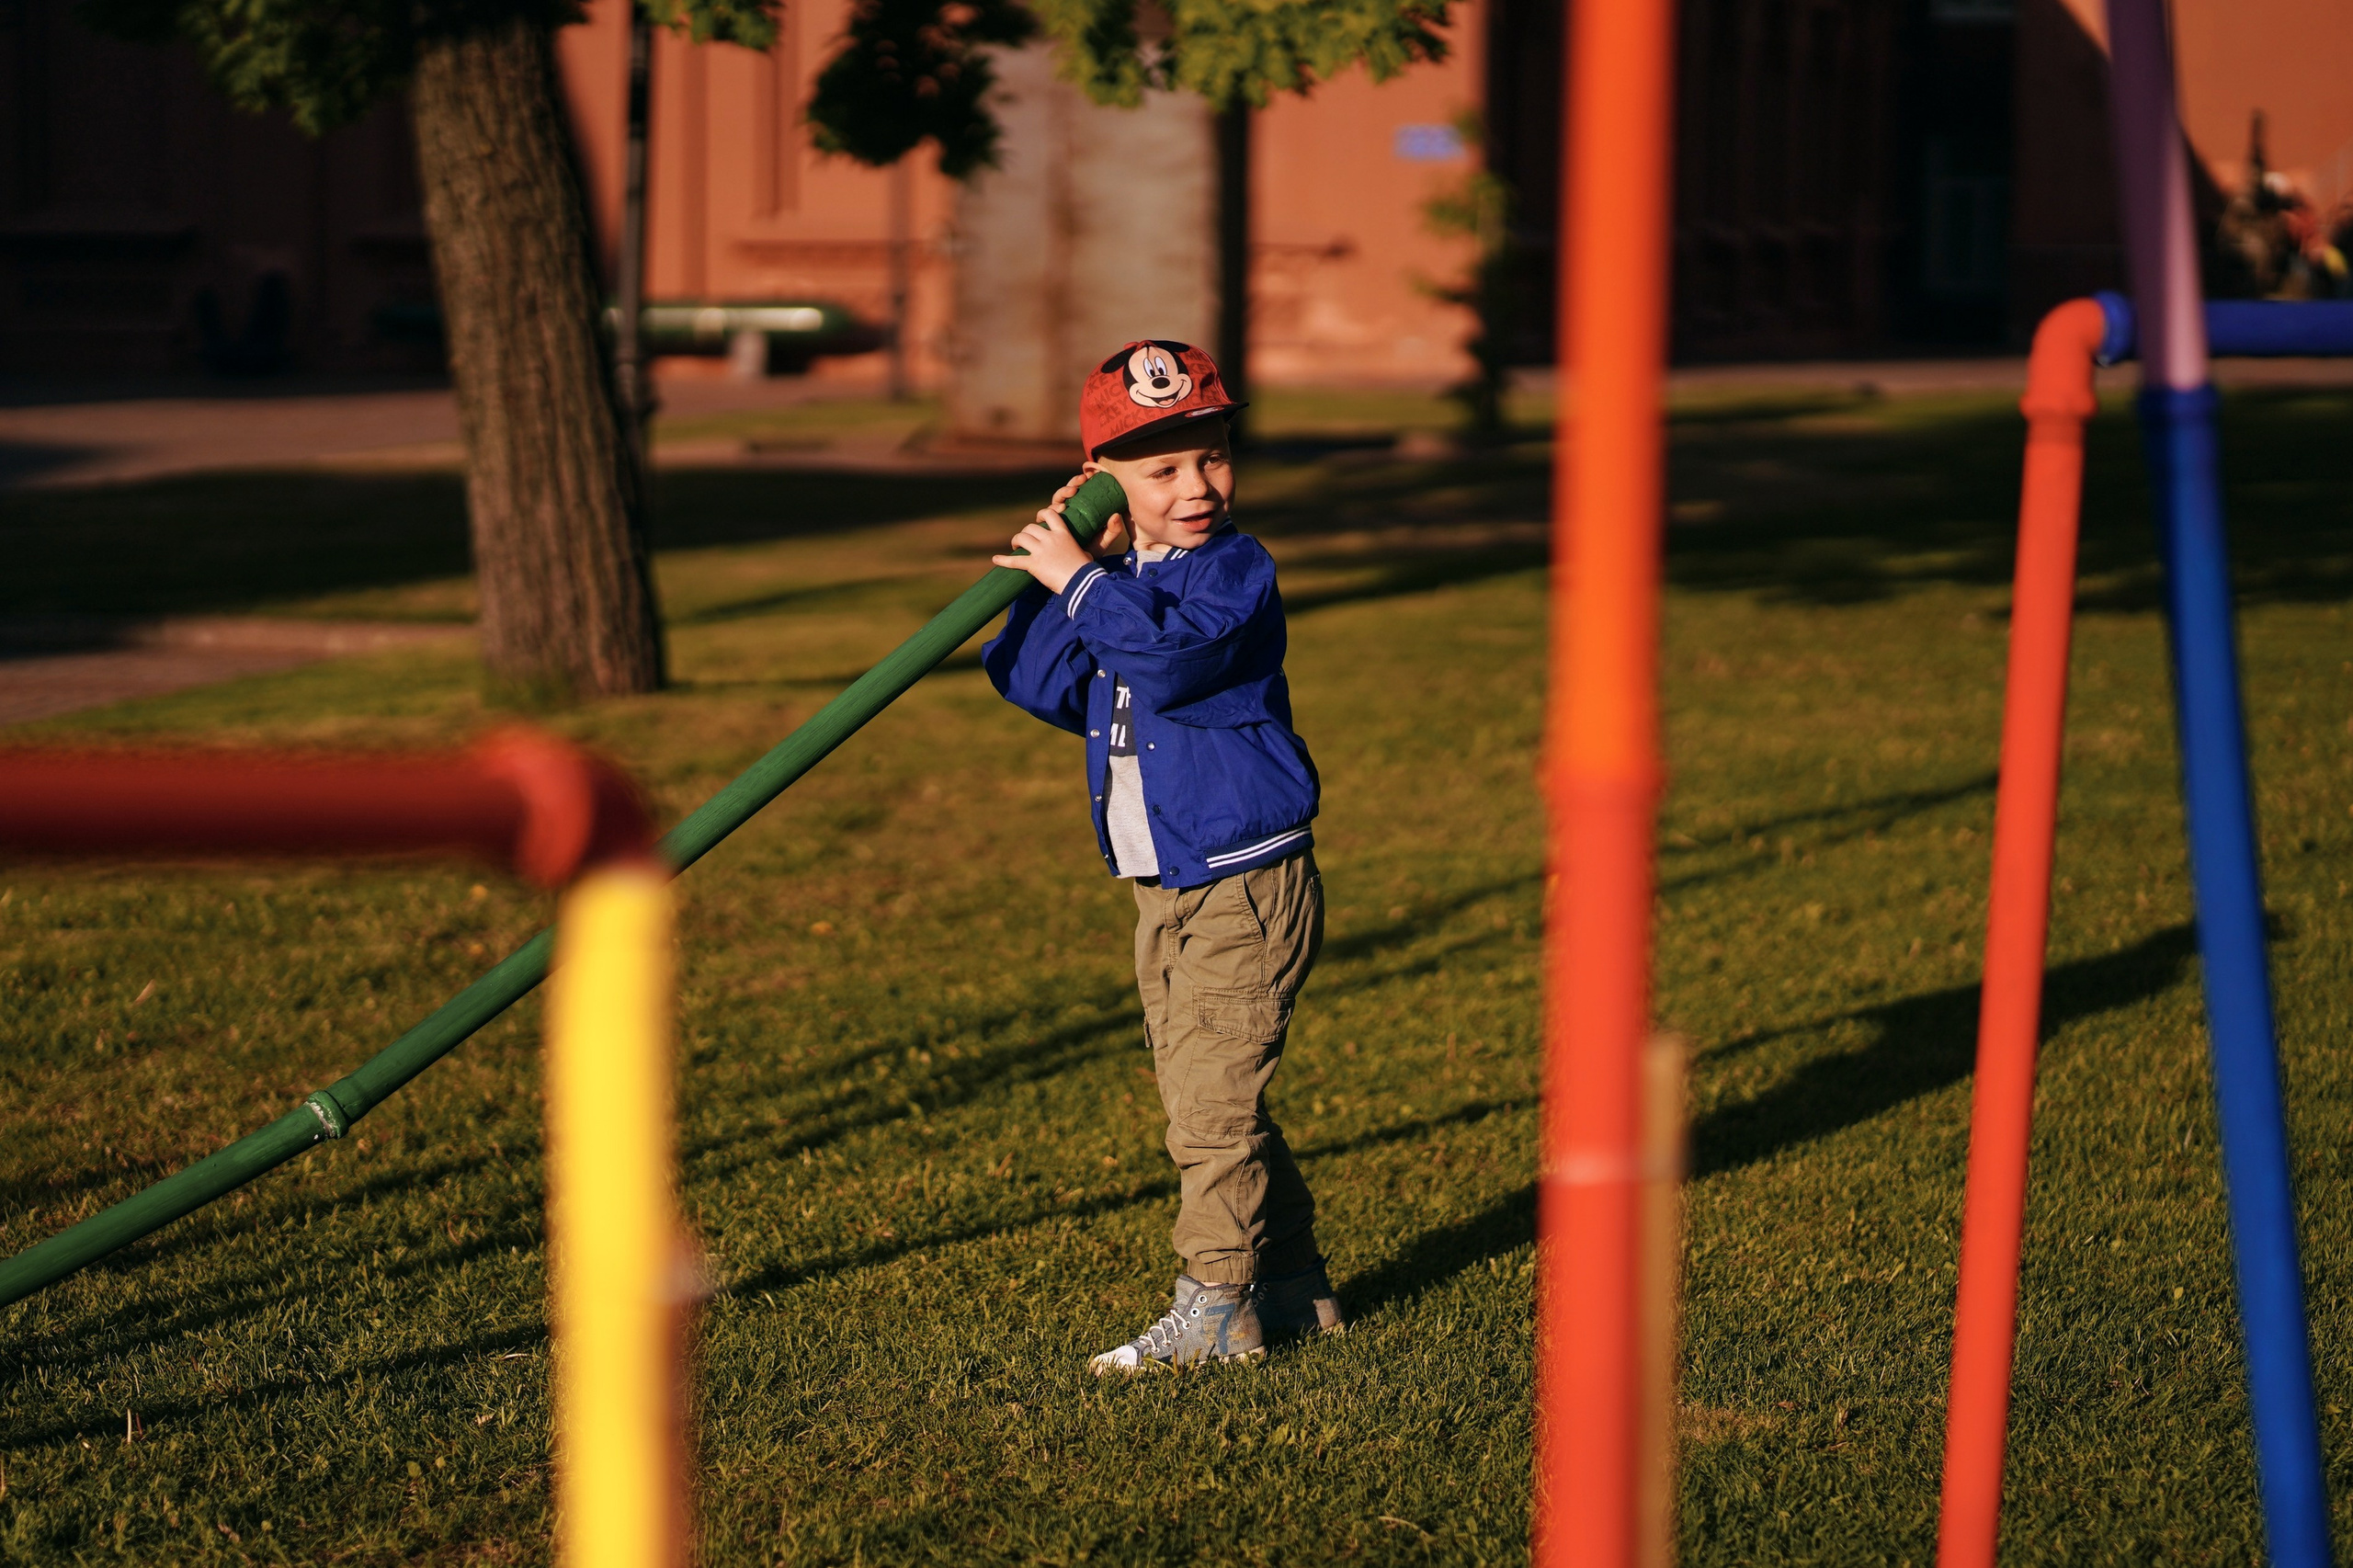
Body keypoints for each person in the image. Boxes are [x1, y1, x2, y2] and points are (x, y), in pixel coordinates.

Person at [982, 340, 1345, 1371]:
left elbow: (1172, 661)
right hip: (1166, 883)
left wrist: (1087, 584)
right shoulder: (1121, 579)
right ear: (1108, 482)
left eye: (1214, 457)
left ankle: (1215, 1308)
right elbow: (1033, 676)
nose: (1198, 486)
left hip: (1245, 878)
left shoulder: (1233, 571)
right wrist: (1058, 574)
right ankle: (1291, 1280)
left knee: (1211, 1110)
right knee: (1210, 1098)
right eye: (1160, 471)